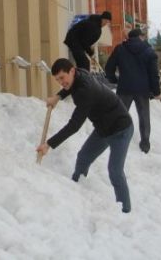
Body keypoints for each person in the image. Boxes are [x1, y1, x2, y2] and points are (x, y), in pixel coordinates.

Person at [36, 58, 134, 213]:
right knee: (83, 157)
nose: (61, 82)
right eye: (57, 80)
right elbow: (70, 86)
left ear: (72, 71)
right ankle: (76, 189)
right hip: (103, 128)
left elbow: (74, 125)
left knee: (115, 171)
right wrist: (58, 96)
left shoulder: (85, 91)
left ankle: (125, 211)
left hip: (120, 129)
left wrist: (48, 144)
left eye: (62, 78)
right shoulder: (79, 74)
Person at [104, 28, 160, 153]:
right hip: (143, 90)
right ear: (140, 37)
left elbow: (109, 68)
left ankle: (116, 139)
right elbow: (154, 74)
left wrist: (114, 80)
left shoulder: (120, 49)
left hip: (124, 88)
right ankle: (145, 143)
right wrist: (156, 91)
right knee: (144, 116)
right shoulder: (149, 51)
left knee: (119, 115)